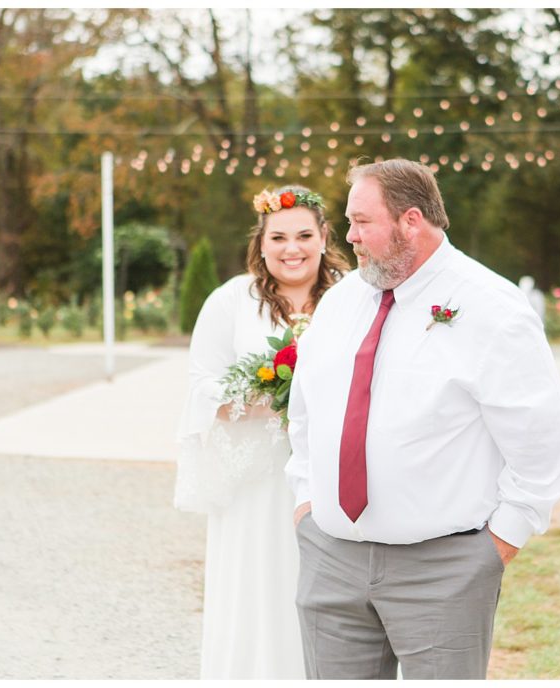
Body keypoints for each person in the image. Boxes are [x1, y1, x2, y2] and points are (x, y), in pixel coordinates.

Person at [285, 159, 560, 680]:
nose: (348, 237)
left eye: (361, 222)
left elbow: (541, 440)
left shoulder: (492, 307)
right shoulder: (341, 302)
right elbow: (305, 413)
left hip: (443, 569)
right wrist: (306, 503)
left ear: (410, 222)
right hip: (331, 559)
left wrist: (497, 544)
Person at [173, 185, 350, 679]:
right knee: (257, 581)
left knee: (332, 587)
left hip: (334, 473)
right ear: (262, 241)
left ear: (323, 237)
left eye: (303, 235)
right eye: (279, 237)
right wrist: (263, 400)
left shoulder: (353, 295)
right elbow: (202, 387)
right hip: (256, 479)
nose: (291, 248)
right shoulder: (232, 300)